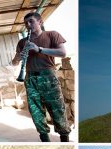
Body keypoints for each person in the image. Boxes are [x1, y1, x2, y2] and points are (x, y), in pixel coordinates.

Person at [12, 12, 71, 142]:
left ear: (40, 22)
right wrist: (18, 57)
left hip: (48, 75)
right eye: (26, 23)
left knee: (57, 109)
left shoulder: (52, 34)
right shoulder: (22, 42)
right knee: (36, 112)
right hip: (30, 78)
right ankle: (45, 140)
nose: (28, 25)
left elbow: (62, 52)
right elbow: (14, 63)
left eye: (31, 21)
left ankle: (64, 140)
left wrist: (39, 49)